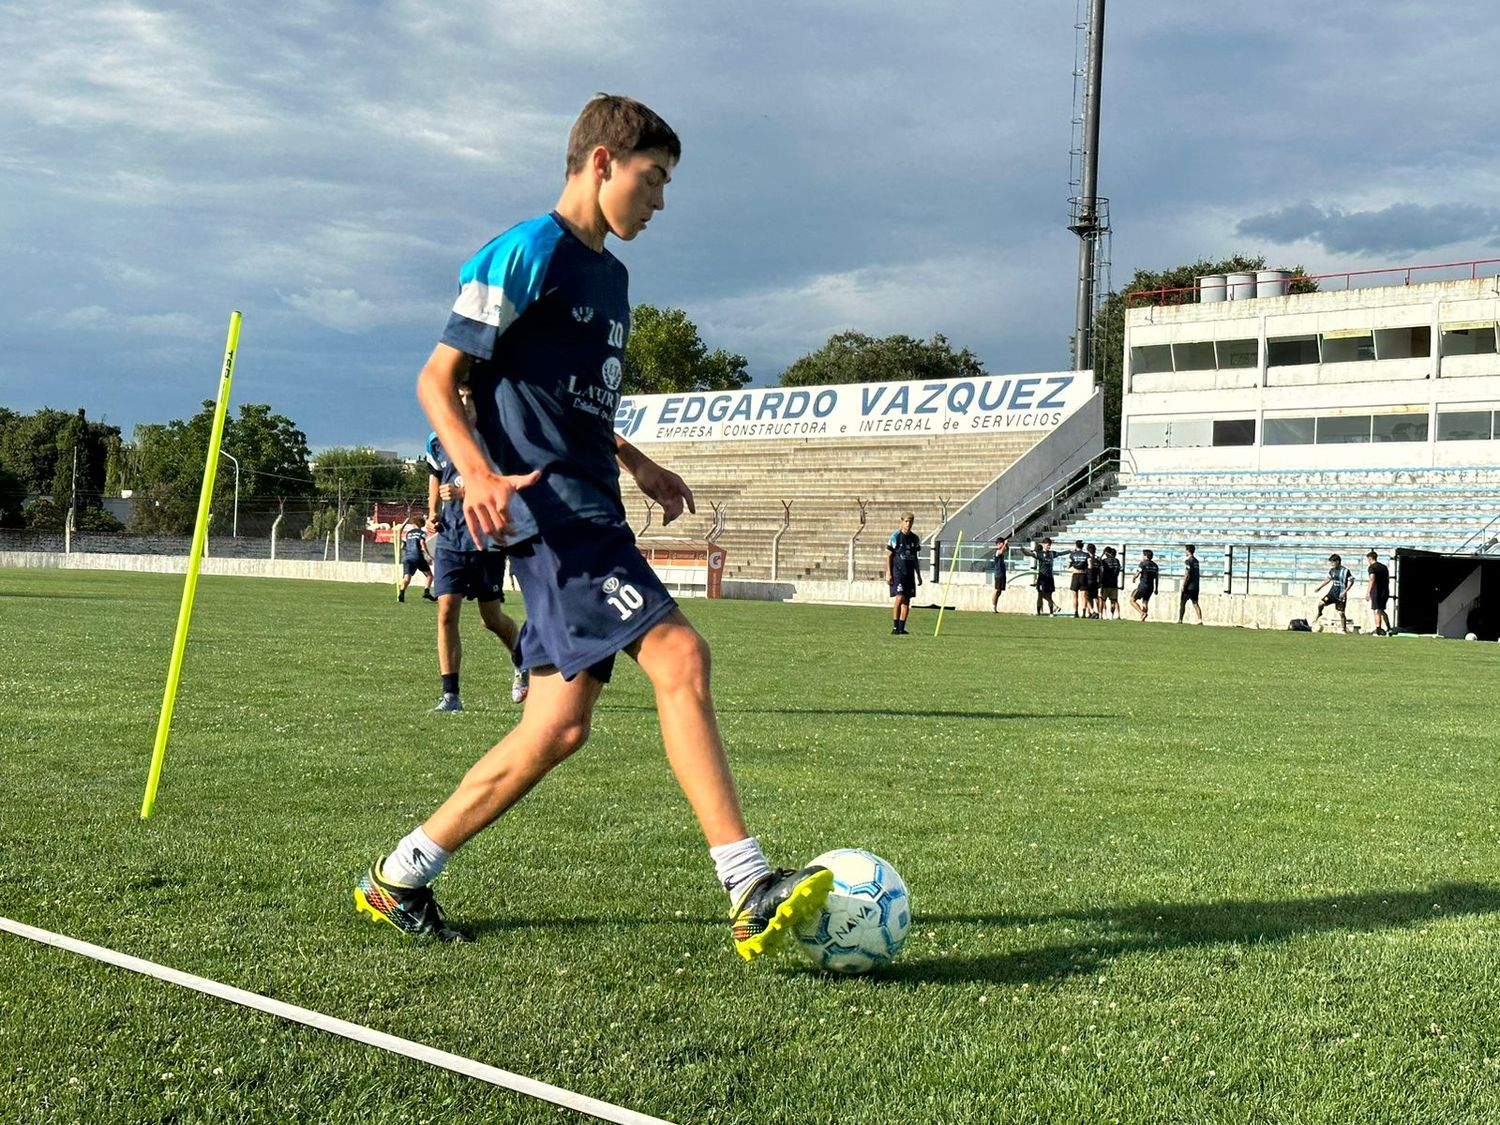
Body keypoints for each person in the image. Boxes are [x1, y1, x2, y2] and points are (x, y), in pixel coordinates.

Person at [354, 95, 832, 956]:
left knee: (556, 727)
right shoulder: (526, 251)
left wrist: (635, 457)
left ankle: (400, 875)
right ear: (602, 162)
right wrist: (474, 471)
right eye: (652, 181)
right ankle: (748, 882)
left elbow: (561, 397)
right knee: (681, 655)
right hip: (550, 510)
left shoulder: (611, 277)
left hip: (591, 501)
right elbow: (437, 378)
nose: (659, 202)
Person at [425, 384, 530, 711]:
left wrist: (462, 492)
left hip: (486, 538)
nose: (466, 402)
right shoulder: (436, 437)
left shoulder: (496, 437)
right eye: (460, 396)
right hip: (451, 540)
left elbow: (502, 484)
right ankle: (450, 696)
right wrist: (431, 514)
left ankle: (522, 659)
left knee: (490, 618)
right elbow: (436, 477)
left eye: (472, 396)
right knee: (446, 611)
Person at [885, 512, 923, 634]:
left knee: (907, 600)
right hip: (898, 573)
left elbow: (915, 558)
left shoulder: (915, 538)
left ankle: (902, 628)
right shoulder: (895, 537)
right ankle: (895, 626)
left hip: (909, 573)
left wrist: (918, 574)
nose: (908, 524)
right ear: (901, 522)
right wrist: (888, 572)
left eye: (910, 521)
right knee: (899, 597)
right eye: (906, 521)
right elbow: (889, 556)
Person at [396, 516, 437, 603]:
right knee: (429, 575)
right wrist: (429, 555)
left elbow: (402, 545)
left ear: (414, 524)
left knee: (407, 577)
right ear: (422, 524)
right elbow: (422, 544)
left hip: (407, 557)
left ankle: (401, 594)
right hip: (417, 556)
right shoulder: (422, 533)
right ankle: (426, 592)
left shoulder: (408, 533)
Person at [1314, 553, 1355, 633]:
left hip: (1341, 595)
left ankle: (1344, 629)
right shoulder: (1332, 570)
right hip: (1332, 594)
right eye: (1331, 562)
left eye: (1333, 562)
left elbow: (1351, 582)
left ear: (1338, 561)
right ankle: (1320, 613)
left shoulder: (1346, 571)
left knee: (1341, 613)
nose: (1331, 564)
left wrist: (1345, 592)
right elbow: (1328, 580)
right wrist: (1319, 587)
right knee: (1320, 603)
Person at [1021, 536, 1059, 615]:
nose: (1049, 546)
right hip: (1042, 578)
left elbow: (1062, 553)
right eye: (1047, 545)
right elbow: (1030, 554)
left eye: (1050, 545)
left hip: (1049, 578)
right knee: (1040, 594)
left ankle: (1051, 612)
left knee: (1048, 595)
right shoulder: (1039, 554)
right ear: (1044, 545)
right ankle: (1039, 612)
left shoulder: (1052, 553)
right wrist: (1023, 551)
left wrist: (1070, 551)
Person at [1366, 550, 1392, 636]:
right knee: (1381, 610)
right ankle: (1389, 627)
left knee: (1376, 610)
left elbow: (1372, 579)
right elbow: (1388, 579)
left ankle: (1378, 629)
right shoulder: (1384, 567)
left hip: (1376, 591)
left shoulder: (1372, 567)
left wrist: (1368, 592)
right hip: (1385, 591)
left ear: (1370, 558)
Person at [1130, 549, 1159, 621]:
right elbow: (1157, 578)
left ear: (1145, 556)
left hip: (1143, 586)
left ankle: (1142, 613)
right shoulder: (1155, 566)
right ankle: (1143, 619)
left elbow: (1138, 573)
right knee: (1145, 602)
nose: (1142, 556)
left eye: (1143, 555)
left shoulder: (1143, 564)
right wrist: (1156, 589)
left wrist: (1134, 578)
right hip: (1150, 587)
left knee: (1132, 600)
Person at [1065, 539, 1091, 619]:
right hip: (1083, 575)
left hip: (1075, 575)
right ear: (1083, 546)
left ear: (1076, 546)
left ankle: (1075, 612)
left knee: (1074, 596)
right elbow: (1090, 566)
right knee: (1084, 596)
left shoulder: (1072, 555)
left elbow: (1068, 566)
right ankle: (1083, 613)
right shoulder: (1086, 555)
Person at [1178, 544, 1202, 624]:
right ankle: (1200, 620)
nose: (1184, 551)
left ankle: (1180, 619)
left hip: (1189, 586)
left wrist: (1183, 584)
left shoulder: (1188, 561)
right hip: (1196, 585)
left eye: (1185, 550)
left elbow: (1187, 573)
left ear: (1188, 551)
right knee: (1195, 603)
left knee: (1182, 602)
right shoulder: (1196, 561)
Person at [1096, 546, 1122, 619]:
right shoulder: (1117, 561)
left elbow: (1101, 569)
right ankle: (1112, 615)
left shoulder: (1104, 561)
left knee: (1102, 599)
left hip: (1105, 583)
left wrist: (1102, 554)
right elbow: (1118, 570)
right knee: (1113, 601)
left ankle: (1101, 615)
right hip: (1114, 584)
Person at [990, 534, 1009, 613]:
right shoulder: (997, 551)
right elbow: (1001, 551)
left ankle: (995, 606)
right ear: (998, 544)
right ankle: (993, 606)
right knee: (997, 589)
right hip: (998, 573)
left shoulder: (1002, 549)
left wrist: (1006, 544)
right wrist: (1005, 544)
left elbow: (1006, 549)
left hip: (1002, 573)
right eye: (1001, 543)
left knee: (1000, 591)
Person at [1084, 543, 1100, 619]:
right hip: (1096, 580)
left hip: (1088, 579)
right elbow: (1101, 571)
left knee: (1086, 596)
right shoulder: (1098, 559)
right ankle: (1097, 613)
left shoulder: (1087, 559)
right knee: (1095, 597)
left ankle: (1092, 611)